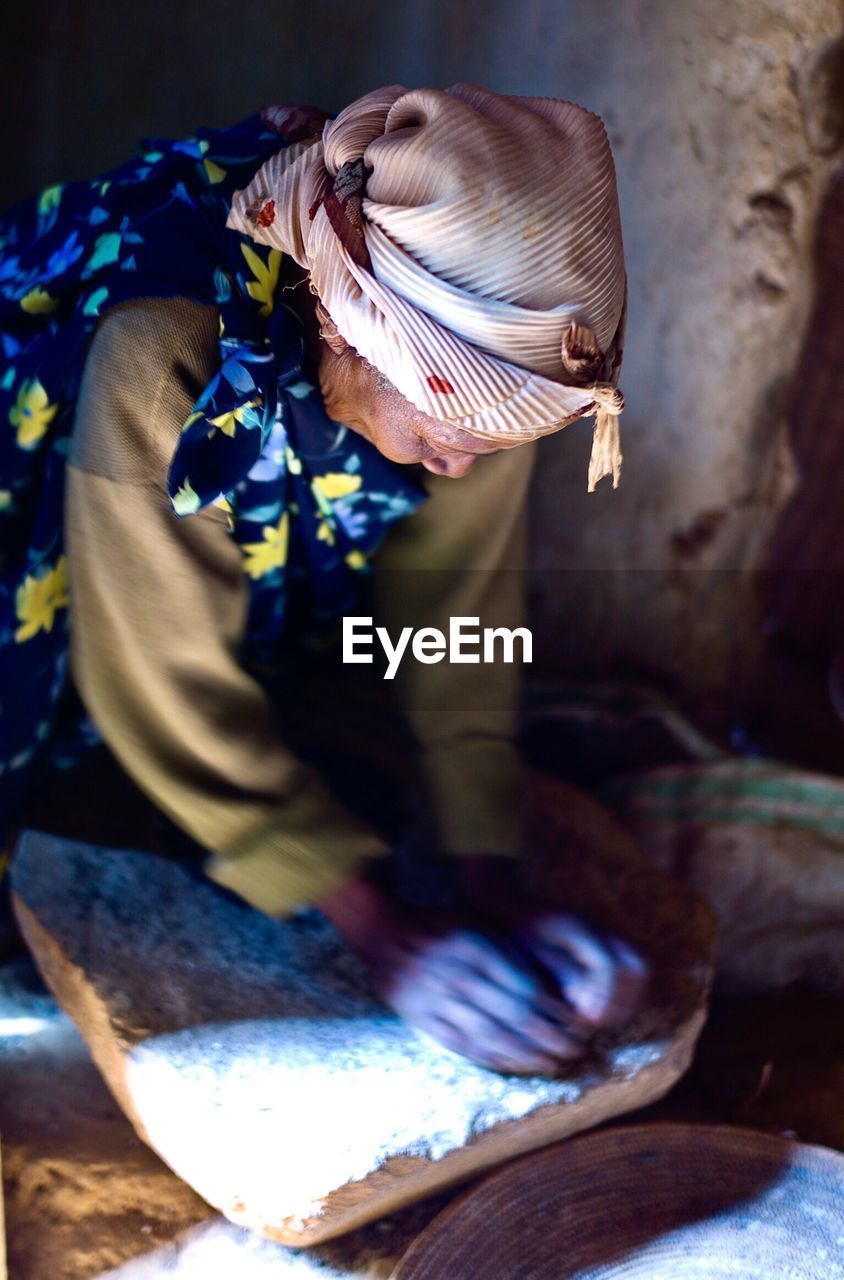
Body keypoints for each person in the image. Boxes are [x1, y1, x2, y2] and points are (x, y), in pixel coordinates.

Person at [1, 83, 645, 1075]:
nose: (463, 465)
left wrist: (488, 867)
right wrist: (378, 924)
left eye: (493, 438)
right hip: (45, 534)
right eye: (444, 432)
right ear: (347, 330)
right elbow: (154, 678)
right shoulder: (165, 350)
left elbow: (454, 618)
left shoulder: (477, 366)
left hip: (240, 529)